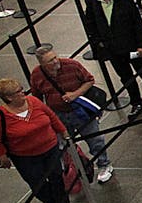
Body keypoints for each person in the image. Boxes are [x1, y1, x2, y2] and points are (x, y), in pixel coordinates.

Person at [0, 77, 75, 203]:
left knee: (56, 176)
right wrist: (2, 157)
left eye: (22, 89)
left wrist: (63, 131)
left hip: (50, 147)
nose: (23, 93)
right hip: (24, 157)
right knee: (37, 182)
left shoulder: (33, 101)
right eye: (18, 92)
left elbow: (51, 116)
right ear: (9, 98)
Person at [30, 47, 114, 184]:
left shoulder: (72, 65)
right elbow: (37, 96)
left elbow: (89, 80)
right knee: (62, 146)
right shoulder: (37, 75)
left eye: (55, 57)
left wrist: (75, 94)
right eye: (50, 61)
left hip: (80, 112)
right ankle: (72, 170)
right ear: (42, 64)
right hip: (58, 115)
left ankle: (104, 164)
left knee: (95, 139)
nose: (55, 61)